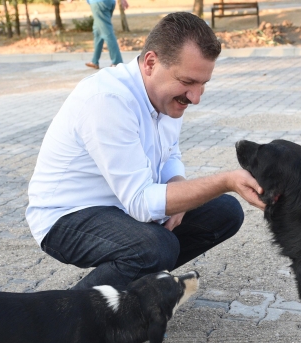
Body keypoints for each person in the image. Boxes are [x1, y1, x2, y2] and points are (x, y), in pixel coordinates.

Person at [27, 12, 265, 290]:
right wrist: (226, 181)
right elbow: (140, 202)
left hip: (120, 205)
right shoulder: (108, 100)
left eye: (203, 84)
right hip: (66, 216)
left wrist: (178, 185)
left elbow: (170, 153)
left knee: (225, 212)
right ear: (151, 62)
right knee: (155, 247)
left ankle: (132, 285)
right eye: (188, 82)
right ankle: (70, 317)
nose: (196, 98)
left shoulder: (166, 96)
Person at [85, 0, 127, 69]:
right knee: (98, 32)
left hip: (98, 3)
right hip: (109, 2)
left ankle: (117, 62)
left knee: (108, 33)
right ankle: (94, 61)